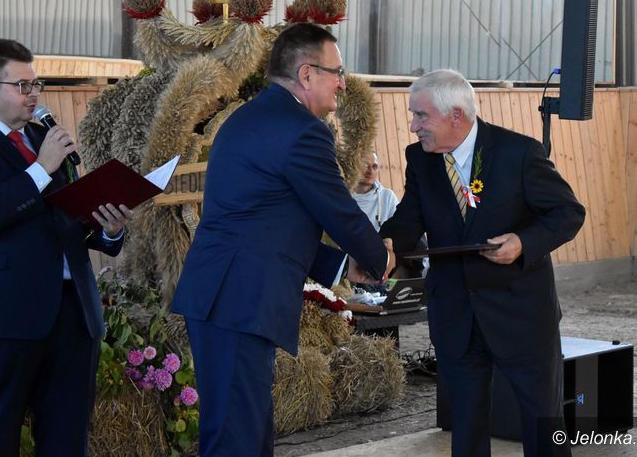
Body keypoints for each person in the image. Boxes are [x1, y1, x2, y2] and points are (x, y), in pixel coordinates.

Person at [171, 23, 395, 456]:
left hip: (228, 296)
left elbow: (268, 224)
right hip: (238, 300)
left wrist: (343, 266)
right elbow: (339, 210)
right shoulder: (302, 130)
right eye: (337, 72)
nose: (343, 83)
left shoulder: (252, 118)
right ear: (307, 74)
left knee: (246, 433)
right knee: (236, 439)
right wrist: (378, 258)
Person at [379, 69, 585, 456]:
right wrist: (384, 246)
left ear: (455, 115)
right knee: (467, 428)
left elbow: (568, 213)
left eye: (421, 116)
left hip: (521, 313)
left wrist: (523, 243)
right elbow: (408, 218)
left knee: (542, 424)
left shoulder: (519, 153)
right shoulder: (419, 158)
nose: (413, 126)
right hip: (456, 313)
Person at [0, 39, 132, 456]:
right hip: (9, 316)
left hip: (74, 312)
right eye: (22, 85)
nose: (33, 94)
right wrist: (42, 168)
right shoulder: (46, 154)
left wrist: (109, 229)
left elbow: (72, 216)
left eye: (36, 84)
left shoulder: (46, 137)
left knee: (67, 438)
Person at [351, 151, 399, 230]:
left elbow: (399, 227)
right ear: (354, 168)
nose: (370, 171)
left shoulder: (387, 196)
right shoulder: (343, 197)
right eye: (365, 166)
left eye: (374, 166)